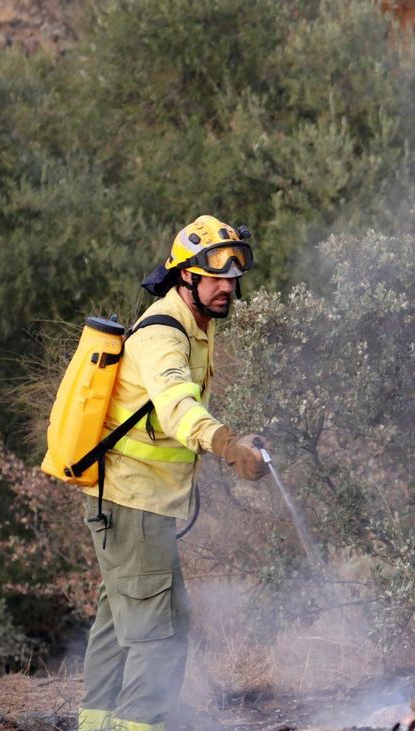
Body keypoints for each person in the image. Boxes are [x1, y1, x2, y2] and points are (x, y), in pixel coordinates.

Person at [78, 215, 271, 731]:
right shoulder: (163, 333)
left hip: (132, 504)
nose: (227, 285)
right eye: (214, 275)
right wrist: (228, 445)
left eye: (234, 274)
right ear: (184, 276)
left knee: (120, 623)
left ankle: (95, 723)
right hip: (133, 503)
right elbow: (175, 405)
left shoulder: (194, 326)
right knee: (161, 631)